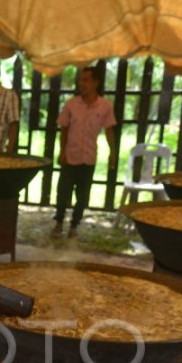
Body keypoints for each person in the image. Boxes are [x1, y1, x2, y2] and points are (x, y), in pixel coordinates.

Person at [52, 65, 117, 239]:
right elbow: (64, 128)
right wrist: (62, 151)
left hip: (88, 157)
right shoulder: (71, 104)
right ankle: (58, 222)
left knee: (83, 195)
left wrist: (113, 152)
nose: (83, 83)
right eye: (81, 79)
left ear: (96, 82)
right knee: (63, 192)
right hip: (70, 155)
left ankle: (74, 225)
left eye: (87, 80)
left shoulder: (104, 106)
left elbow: (109, 129)